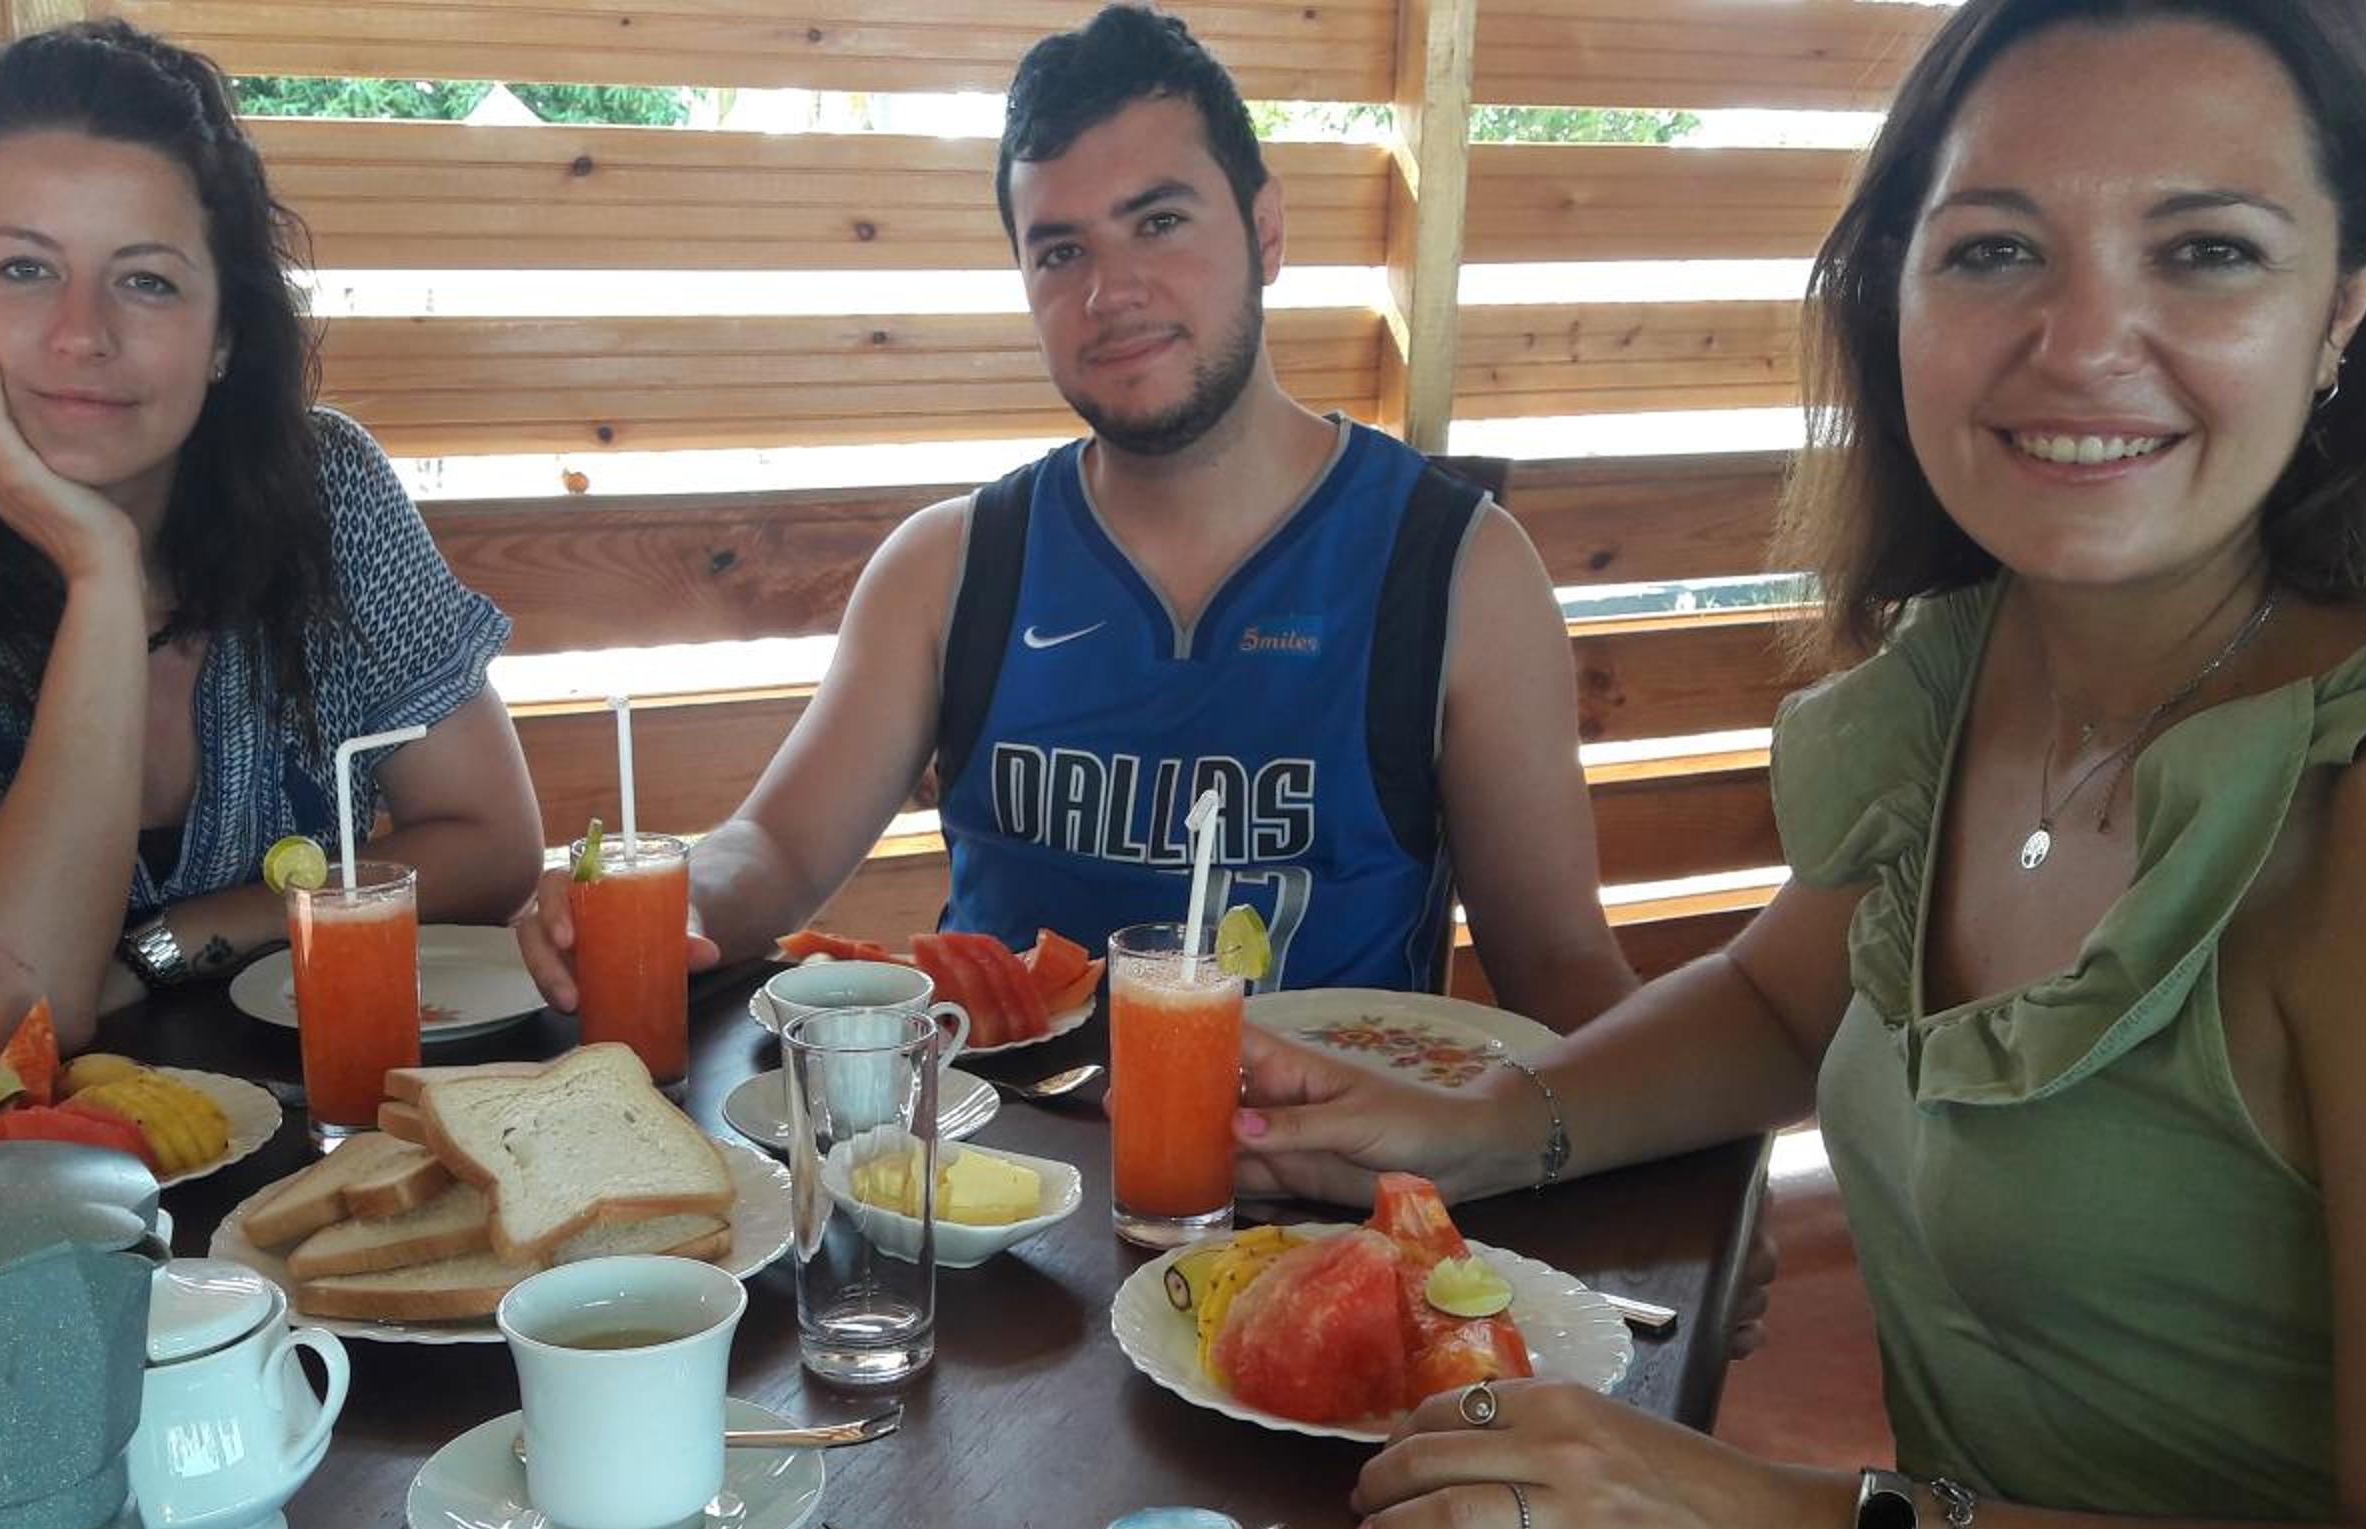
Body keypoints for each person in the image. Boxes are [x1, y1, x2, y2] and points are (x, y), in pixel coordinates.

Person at [1229, 1, 2366, 1529]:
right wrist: (1471, 1132)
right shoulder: (1970, 664)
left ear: (2352, 295)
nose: (2081, 342)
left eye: (2206, 250)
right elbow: (1782, 1001)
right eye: (1996, 250)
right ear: (1895, 289)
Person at [516, 4, 1636, 1027]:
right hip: (981, 1167)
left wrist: (1688, 1109)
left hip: (1325, 1171)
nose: (1111, 291)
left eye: (1159, 222)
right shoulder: (951, 565)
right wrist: (665, 898)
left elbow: (1560, 963)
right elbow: (774, 846)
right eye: (1061, 251)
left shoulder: (1459, 568)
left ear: (1265, 230)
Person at [0, 21, 543, 1147]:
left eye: (146, 280)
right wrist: (101, 571)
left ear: (224, 335)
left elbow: (490, 843)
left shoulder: (326, 493)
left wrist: (167, 945)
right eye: (25, 270)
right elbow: (25, 1000)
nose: (82, 334)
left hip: (239, 1132)